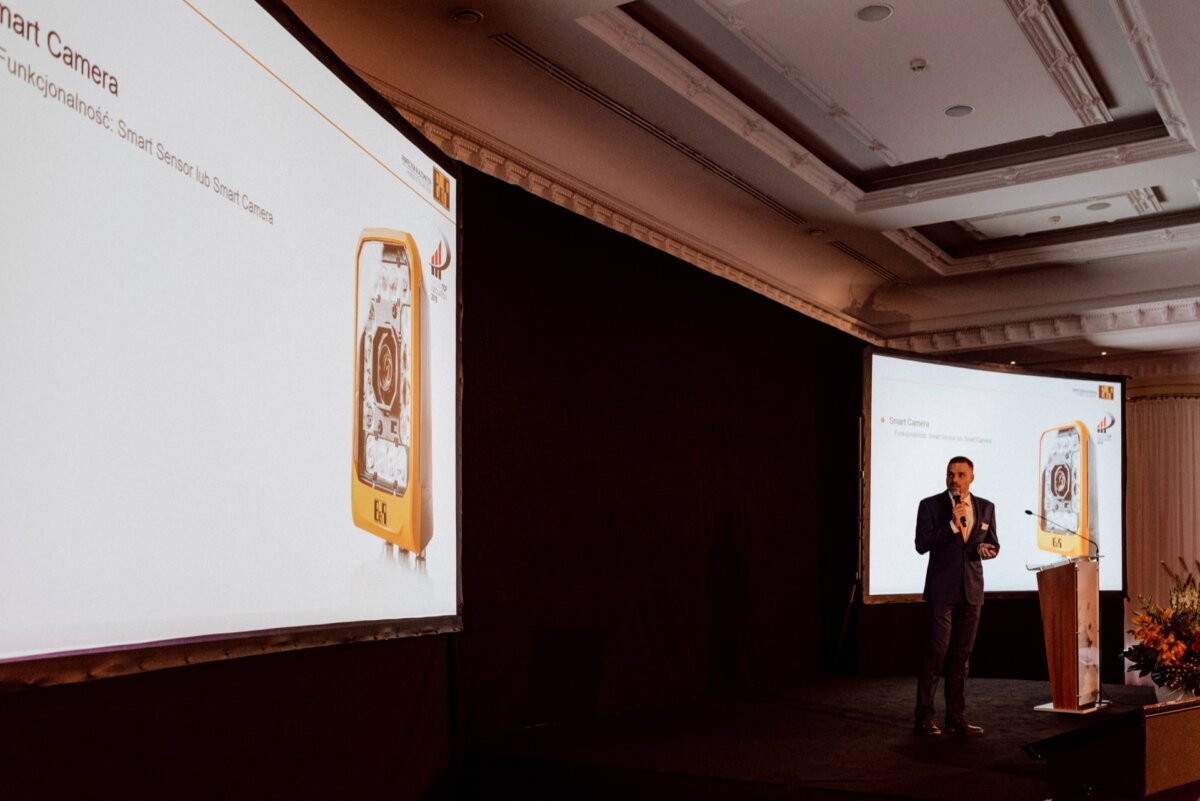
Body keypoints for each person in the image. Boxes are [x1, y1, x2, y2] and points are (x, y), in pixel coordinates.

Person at [913, 456, 999, 736]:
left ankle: (956, 717)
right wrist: (951, 526)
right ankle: (925, 717)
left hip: (972, 591)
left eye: (961, 474)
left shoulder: (986, 507)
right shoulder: (930, 505)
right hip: (942, 591)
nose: (955, 480)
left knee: (962, 657)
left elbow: (992, 543)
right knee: (936, 654)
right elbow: (921, 545)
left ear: (972, 477)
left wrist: (989, 551)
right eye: (951, 474)